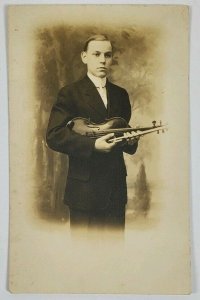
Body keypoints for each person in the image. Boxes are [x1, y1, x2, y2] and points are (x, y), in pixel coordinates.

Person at [46, 34, 138, 231]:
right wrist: (93, 145)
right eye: (96, 54)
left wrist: (130, 141)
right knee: (84, 255)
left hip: (115, 191)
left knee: (114, 255)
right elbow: (54, 135)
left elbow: (121, 135)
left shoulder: (121, 95)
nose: (102, 60)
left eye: (107, 55)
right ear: (84, 57)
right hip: (84, 192)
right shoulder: (69, 93)